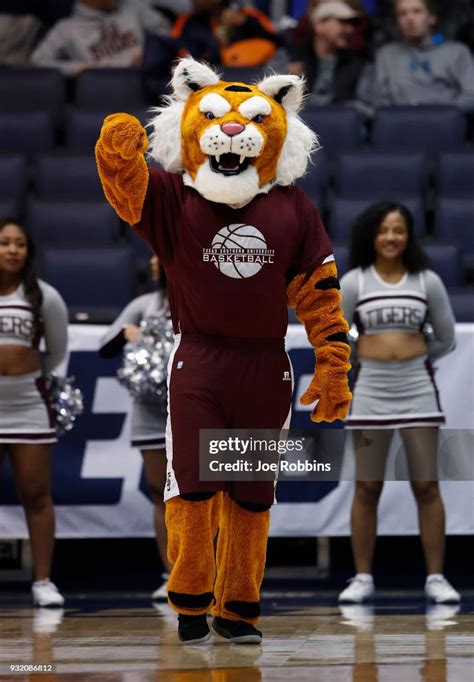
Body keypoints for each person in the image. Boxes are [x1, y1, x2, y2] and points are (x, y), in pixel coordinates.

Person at [96, 57, 351, 644]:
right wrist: (115, 150)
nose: (233, 130)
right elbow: (125, 186)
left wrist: (334, 364)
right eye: (215, 118)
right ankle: (188, 597)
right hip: (200, 360)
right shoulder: (173, 197)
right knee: (192, 485)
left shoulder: (294, 206)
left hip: (266, 366)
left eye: (251, 122)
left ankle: (238, 606)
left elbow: (319, 292)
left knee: (251, 494)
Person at [338, 201, 461, 605]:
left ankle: (436, 577)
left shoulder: (427, 281)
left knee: (426, 485)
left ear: (409, 236)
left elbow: (445, 338)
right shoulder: (356, 281)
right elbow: (339, 339)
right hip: (371, 391)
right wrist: (368, 358)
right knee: (367, 487)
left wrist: (411, 357)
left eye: (399, 230)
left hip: (417, 392)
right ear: (371, 237)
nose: (391, 237)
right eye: (383, 230)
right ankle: (361, 577)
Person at [0, 219, 68, 607]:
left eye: (20, 244)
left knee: (36, 494)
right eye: (5, 243)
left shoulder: (43, 295)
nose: (12, 250)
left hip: (27, 402)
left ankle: (43, 581)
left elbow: (57, 352)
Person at [99, 255, 172, 601]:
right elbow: (105, 346)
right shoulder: (144, 305)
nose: (154, 261)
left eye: (161, 253)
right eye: (152, 256)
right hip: (151, 412)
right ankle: (171, 573)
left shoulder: (200, 298)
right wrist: (128, 334)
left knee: (199, 493)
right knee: (160, 492)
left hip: (195, 409)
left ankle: (203, 571)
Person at [371, 0, 474, 110]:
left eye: (417, 12)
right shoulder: (386, 55)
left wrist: (444, 112)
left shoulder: (456, 52)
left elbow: (471, 96)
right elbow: (378, 99)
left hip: (443, 120)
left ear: (431, 18)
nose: (409, 19)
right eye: (402, 14)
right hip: (400, 121)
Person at [30, 0, 170, 76]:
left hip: (146, 79)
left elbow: (166, 30)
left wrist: (151, 51)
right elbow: (38, 61)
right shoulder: (66, 28)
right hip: (104, 89)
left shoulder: (132, 6)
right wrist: (79, 68)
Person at [288, 0, 367, 106]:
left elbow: (367, 107)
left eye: (351, 24)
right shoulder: (292, 59)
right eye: (342, 22)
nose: (350, 30)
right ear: (319, 26)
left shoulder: (358, 64)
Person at [171, 0, 281, 67]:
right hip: (205, 77)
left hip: (251, 75)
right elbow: (176, 51)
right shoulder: (187, 21)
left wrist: (245, 22)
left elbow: (277, 42)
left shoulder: (247, 15)